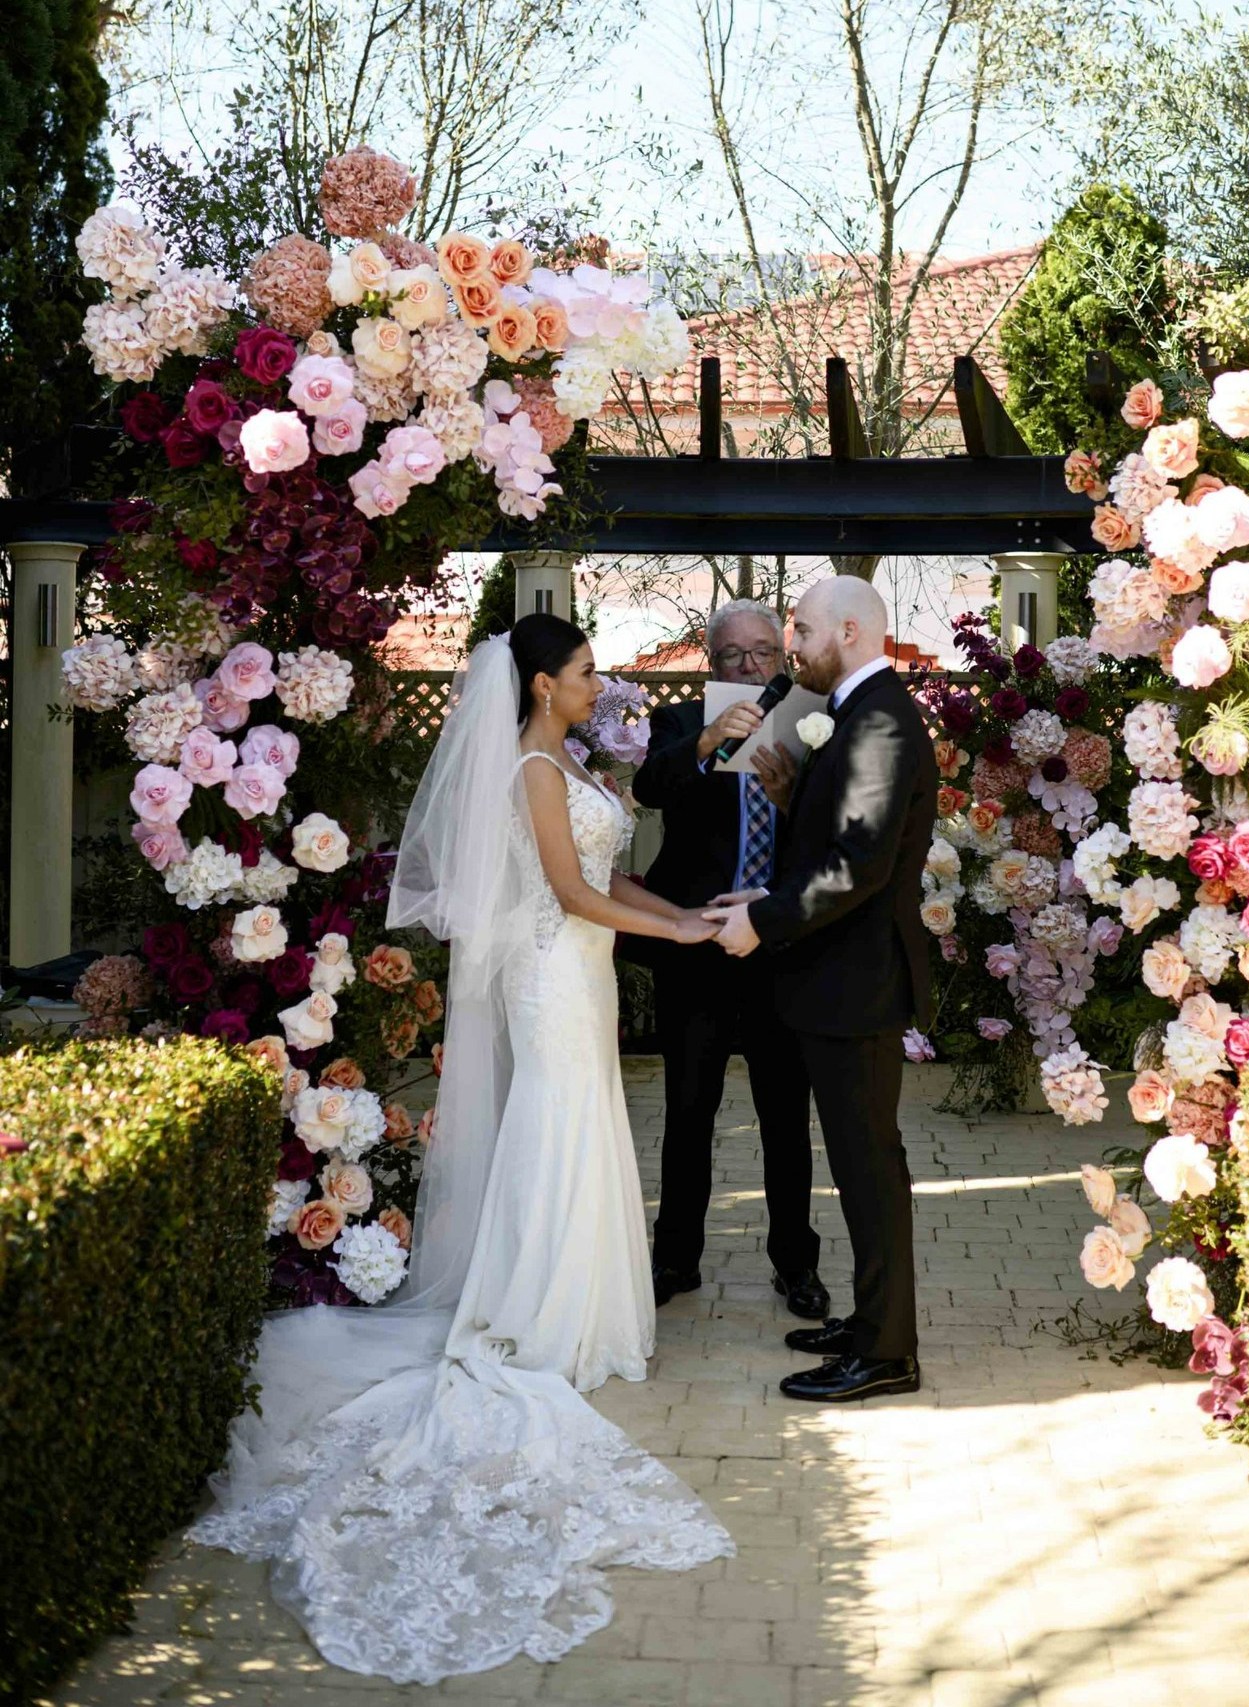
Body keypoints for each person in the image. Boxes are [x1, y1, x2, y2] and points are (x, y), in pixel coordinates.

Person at [188, 614, 732, 1683]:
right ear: (540, 686)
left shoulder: (569, 759)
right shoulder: (533, 770)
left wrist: (687, 912)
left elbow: (610, 881)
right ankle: (534, 1309)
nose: (598, 684)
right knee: (558, 1122)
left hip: (584, 970)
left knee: (589, 1124)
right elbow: (570, 894)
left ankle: (580, 1308)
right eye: (583, 673)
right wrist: (680, 938)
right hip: (547, 973)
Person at [706, 578, 935, 1404]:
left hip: (858, 984)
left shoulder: (879, 719)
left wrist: (763, 923)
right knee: (858, 1164)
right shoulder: (855, 711)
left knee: (870, 1169)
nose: (791, 642)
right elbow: (829, 844)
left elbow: (858, 865)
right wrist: (756, 898)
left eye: (798, 628)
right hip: (836, 979)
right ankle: (873, 1322)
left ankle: (886, 1352)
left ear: (849, 629)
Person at [632, 599, 827, 1319]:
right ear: (710, 663)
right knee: (689, 1110)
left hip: (779, 945)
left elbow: (835, 824)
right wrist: (707, 738)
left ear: (783, 655)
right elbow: (649, 787)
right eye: (733, 656)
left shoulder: (813, 718)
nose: (750, 667)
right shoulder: (681, 722)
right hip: (699, 946)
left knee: (785, 1114)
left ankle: (796, 1263)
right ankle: (675, 1257)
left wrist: (793, 792)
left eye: (763, 653)